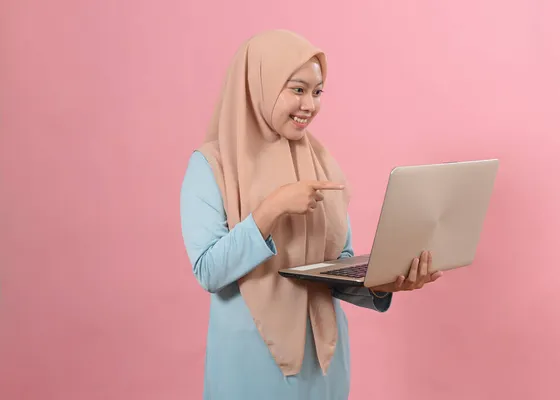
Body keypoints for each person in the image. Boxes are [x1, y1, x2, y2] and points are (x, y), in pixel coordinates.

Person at [180, 29, 442, 400]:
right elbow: (209, 271)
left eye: (317, 92)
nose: (310, 105)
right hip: (250, 364)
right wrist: (271, 209)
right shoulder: (211, 166)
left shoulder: (320, 163)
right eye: (298, 89)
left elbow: (336, 266)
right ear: (260, 85)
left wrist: (381, 284)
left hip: (324, 364)